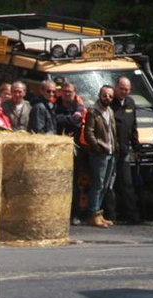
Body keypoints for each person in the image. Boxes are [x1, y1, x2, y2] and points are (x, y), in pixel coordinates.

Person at [83, 85, 118, 228]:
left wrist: (115, 148)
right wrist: (97, 147)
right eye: (105, 95)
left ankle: (99, 213)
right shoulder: (93, 112)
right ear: (99, 95)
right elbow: (89, 133)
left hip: (111, 152)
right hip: (100, 154)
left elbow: (112, 132)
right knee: (98, 184)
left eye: (110, 96)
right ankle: (92, 214)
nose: (107, 98)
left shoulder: (110, 111)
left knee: (105, 186)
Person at [110, 76, 143, 224]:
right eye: (122, 89)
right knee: (109, 185)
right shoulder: (109, 102)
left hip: (125, 150)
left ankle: (132, 216)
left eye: (127, 89)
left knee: (127, 184)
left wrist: (136, 147)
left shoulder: (131, 103)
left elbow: (133, 126)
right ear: (115, 87)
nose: (124, 92)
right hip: (109, 150)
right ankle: (111, 215)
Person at [54, 81, 87, 224]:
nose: (67, 94)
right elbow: (54, 120)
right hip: (57, 151)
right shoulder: (56, 105)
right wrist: (71, 118)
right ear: (61, 92)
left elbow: (77, 123)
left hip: (75, 151)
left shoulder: (80, 106)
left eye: (70, 91)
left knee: (74, 184)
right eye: (65, 91)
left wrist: (66, 120)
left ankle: (74, 215)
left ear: (75, 93)